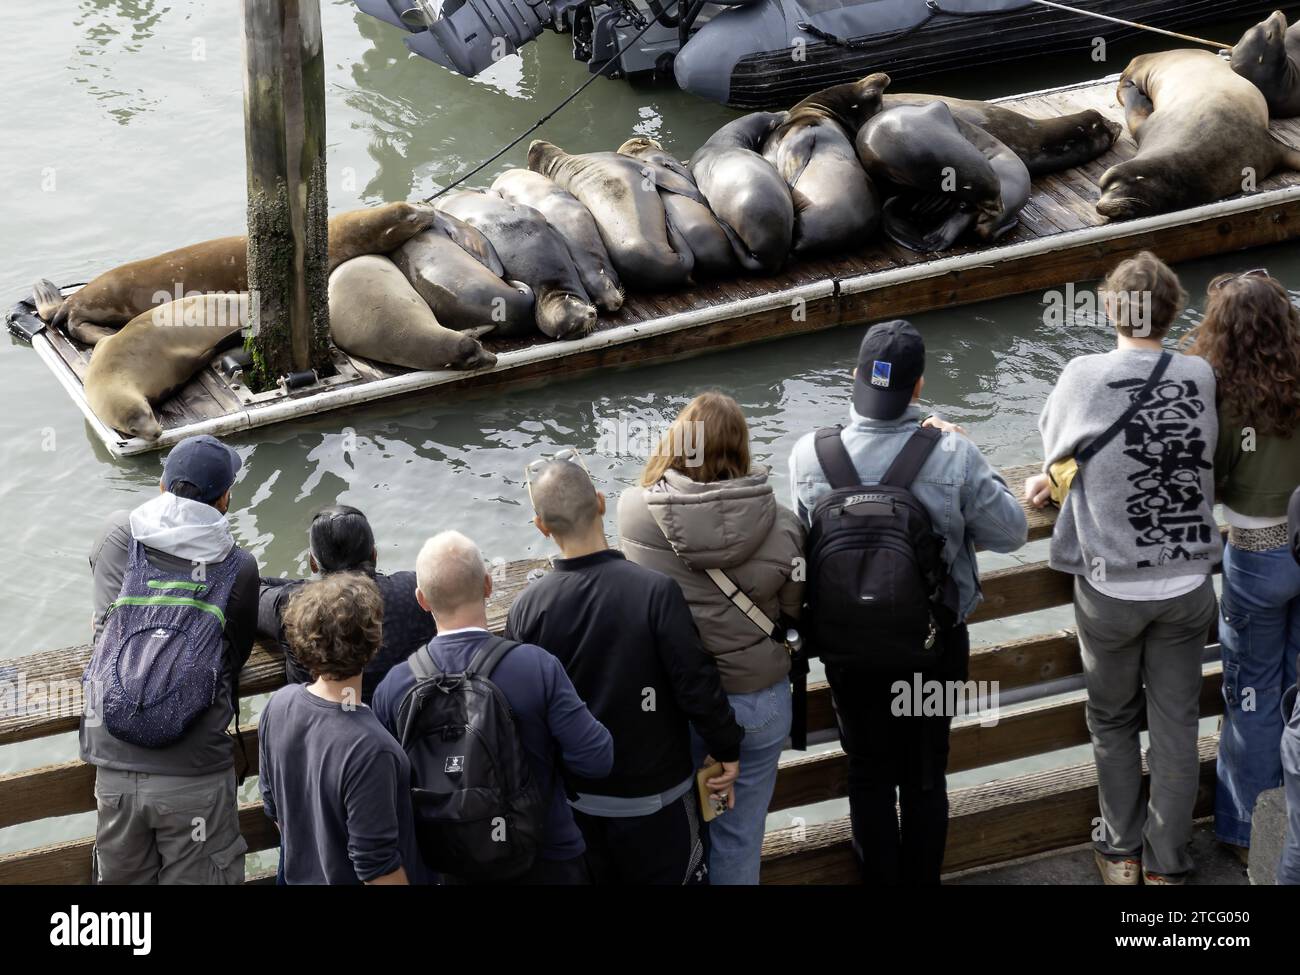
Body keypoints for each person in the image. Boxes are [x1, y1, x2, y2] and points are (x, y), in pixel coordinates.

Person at [790, 319, 1028, 885]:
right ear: (918, 387)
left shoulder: (808, 454)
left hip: (848, 651)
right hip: (933, 645)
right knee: (924, 775)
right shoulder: (951, 453)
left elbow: (801, 545)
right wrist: (966, 448)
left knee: (867, 775)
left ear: (855, 379)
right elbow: (1011, 532)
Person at [1027, 251, 1219, 885]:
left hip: (1112, 588)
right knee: (1176, 724)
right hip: (1189, 581)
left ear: (1111, 308)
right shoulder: (1200, 374)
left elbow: (1058, 448)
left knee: (1112, 720)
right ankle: (1167, 864)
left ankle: (1120, 852)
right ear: (1173, 310)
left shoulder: (1084, 375)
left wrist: (1047, 483)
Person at [506, 453, 745, 884]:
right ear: (600, 502)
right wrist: (726, 747)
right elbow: (695, 685)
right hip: (658, 800)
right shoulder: (655, 592)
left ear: (542, 526)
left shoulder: (528, 609)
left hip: (580, 806)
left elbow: (522, 709)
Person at [618, 392, 804, 885]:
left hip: (676, 707)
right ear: (741, 449)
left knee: (680, 830)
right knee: (737, 833)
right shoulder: (783, 523)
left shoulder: (636, 513)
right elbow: (791, 614)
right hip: (756, 704)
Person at [372, 530, 614, 884]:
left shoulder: (393, 687)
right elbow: (597, 759)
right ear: (487, 585)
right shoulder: (537, 667)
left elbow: (387, 795)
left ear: (422, 600)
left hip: (450, 866)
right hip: (546, 857)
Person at [82, 434, 258, 884]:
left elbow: (106, 624)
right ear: (224, 500)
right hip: (193, 772)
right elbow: (231, 659)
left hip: (114, 759)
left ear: (162, 487)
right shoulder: (238, 566)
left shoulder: (120, 534)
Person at [1184, 269, 1300, 859]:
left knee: (1251, 695)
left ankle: (1250, 833)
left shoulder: (1216, 392)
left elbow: (1208, 484)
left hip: (1257, 559)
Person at [258, 572, 421, 885]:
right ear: (373, 641)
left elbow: (275, 811)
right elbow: (378, 870)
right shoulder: (373, 748)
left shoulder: (279, 705)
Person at [258, 504, 436, 704]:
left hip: (321, 728)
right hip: (407, 727)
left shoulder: (293, 605)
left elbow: (251, 589)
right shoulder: (412, 590)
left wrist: (305, 587)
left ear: (313, 563)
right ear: (374, 555)